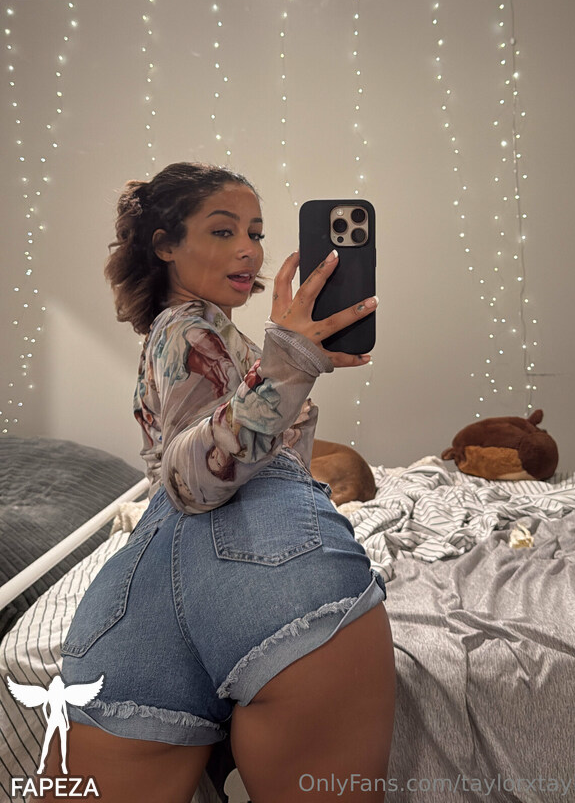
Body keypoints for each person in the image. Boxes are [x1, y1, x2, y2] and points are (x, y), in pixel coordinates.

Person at [50, 162, 396, 802]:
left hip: (138, 594)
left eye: (256, 233)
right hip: (271, 564)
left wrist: (289, 362)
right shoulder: (188, 330)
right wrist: (290, 365)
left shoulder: (196, 333)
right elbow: (196, 483)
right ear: (165, 245)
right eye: (222, 230)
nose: (249, 249)